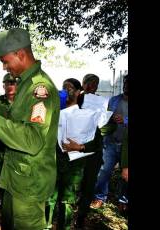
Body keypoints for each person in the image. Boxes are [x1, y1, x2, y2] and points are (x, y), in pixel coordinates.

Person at [0, 28, 60, 229]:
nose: (4, 67)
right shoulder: (26, 84)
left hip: (29, 185)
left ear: (20, 54)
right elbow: (18, 120)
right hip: (16, 178)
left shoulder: (39, 88)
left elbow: (32, 139)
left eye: (5, 61)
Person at [45, 78, 102, 230]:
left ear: (78, 92)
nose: (67, 90)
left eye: (70, 88)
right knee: (49, 199)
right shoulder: (55, 111)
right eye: (64, 87)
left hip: (74, 165)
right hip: (54, 162)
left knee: (67, 201)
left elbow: (96, 143)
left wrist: (81, 146)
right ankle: (46, 226)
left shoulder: (87, 114)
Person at [90, 74, 129, 212]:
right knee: (104, 171)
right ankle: (99, 197)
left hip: (127, 146)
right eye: (125, 83)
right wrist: (110, 117)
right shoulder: (114, 100)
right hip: (111, 142)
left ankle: (123, 199)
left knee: (126, 175)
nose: (126, 86)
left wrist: (124, 120)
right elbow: (104, 117)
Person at [74, 74, 104, 227]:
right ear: (83, 84)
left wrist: (108, 121)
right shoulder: (75, 98)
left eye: (96, 84)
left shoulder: (101, 102)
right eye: (89, 83)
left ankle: (81, 215)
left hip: (94, 149)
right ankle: (67, 207)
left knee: (89, 183)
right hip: (76, 148)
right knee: (74, 181)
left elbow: (106, 126)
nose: (92, 86)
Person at [0, 73, 17, 230]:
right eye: (7, 83)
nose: (10, 86)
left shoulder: (23, 103)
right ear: (3, 85)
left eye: (13, 83)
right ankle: (6, 221)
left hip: (17, 154)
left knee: (16, 190)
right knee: (2, 188)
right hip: (1, 153)